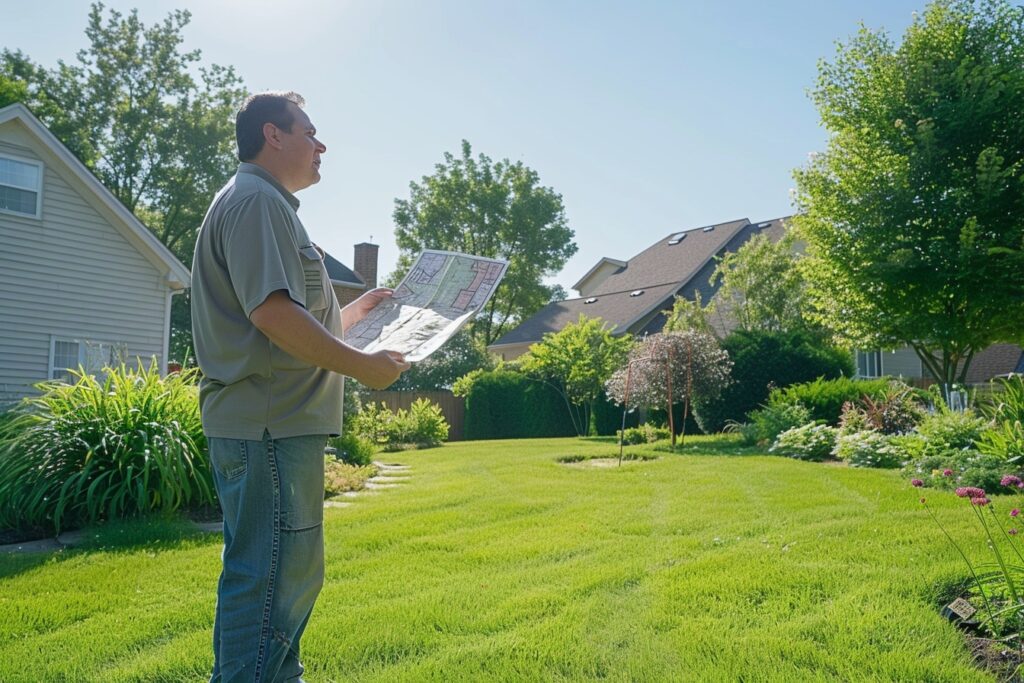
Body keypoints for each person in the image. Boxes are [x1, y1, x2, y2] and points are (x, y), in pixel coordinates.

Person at [191, 91, 409, 682]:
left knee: (277, 578)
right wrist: (363, 368)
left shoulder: (265, 204)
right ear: (274, 135)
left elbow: (292, 320)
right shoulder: (258, 203)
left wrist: (357, 311)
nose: (322, 145)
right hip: (270, 426)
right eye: (310, 132)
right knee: (269, 582)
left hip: (272, 424)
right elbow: (273, 317)